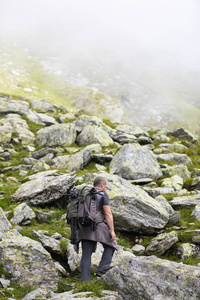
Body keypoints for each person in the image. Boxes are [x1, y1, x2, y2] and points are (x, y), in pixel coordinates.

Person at [77, 176, 118, 282]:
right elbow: (108, 213)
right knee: (111, 245)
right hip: (98, 225)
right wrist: (112, 231)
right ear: (102, 185)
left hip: (83, 226)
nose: (105, 188)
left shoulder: (85, 194)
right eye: (105, 186)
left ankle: (85, 281)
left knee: (86, 253)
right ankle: (101, 271)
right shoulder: (103, 195)